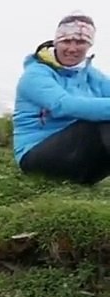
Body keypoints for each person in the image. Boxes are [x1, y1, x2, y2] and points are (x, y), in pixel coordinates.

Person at [11, 13, 110, 185]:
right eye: (66, 41)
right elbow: (64, 105)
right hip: (36, 157)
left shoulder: (91, 75)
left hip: (78, 158)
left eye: (80, 42)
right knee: (102, 122)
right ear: (56, 42)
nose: (72, 48)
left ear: (89, 45)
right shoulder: (36, 74)